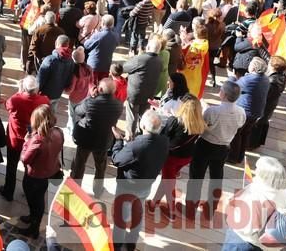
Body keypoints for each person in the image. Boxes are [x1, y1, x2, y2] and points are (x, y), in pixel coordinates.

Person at [185, 80, 246, 217]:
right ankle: (211, 208)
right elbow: (240, 125)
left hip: (205, 145)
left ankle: (190, 210)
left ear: (223, 94)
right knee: (217, 177)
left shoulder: (212, 111)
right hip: (223, 147)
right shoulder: (241, 112)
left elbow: (201, 127)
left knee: (196, 177)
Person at [110, 110, 169, 251]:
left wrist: (118, 141)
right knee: (138, 215)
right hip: (146, 185)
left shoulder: (136, 146)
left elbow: (116, 160)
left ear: (142, 126)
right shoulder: (164, 141)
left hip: (128, 187)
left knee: (121, 218)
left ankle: (116, 246)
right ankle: (131, 244)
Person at [149, 96, 205, 221]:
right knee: (167, 179)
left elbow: (163, 137)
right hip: (186, 157)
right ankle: (153, 203)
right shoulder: (199, 122)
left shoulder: (175, 121)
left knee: (169, 183)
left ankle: (171, 212)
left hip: (171, 157)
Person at [222, 157, 286, 250]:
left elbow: (245, 227)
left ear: (265, 174)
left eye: (258, 168)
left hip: (243, 243)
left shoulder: (256, 193)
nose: (255, 171)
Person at [0, 76, 50, 201]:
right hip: (33, 141)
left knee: (11, 166)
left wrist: (19, 91)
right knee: (30, 167)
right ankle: (28, 191)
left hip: (15, 140)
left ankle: (8, 191)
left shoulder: (16, 100)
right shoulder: (44, 100)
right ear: (37, 88)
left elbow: (7, 105)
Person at [70, 78, 123, 195]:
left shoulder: (91, 102)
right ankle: (98, 190)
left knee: (79, 164)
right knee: (100, 167)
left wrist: (90, 97)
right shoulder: (119, 105)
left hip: (86, 139)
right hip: (103, 141)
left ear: (99, 89)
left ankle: (75, 190)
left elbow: (77, 111)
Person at [18, 105, 64, 239]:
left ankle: (34, 229)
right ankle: (32, 218)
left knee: (35, 201)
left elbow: (25, 159)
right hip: (49, 172)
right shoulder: (58, 132)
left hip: (34, 176)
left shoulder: (37, 139)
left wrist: (26, 142)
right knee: (39, 199)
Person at [228, 57, 269, 164]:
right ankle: (240, 156)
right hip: (256, 112)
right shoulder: (265, 78)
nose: (248, 65)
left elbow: (233, 86)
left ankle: (233, 157)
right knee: (245, 134)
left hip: (245, 112)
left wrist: (232, 77)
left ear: (254, 68)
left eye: (250, 64)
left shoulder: (249, 80)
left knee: (236, 134)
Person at [124, 37, 163, 138]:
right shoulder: (160, 61)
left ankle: (129, 137)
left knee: (131, 117)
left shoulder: (141, 59)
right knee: (144, 116)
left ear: (148, 47)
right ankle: (142, 135)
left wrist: (132, 57)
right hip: (148, 94)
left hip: (135, 94)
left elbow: (125, 67)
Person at [251, 55, 286, 147]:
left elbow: (265, 96)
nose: (268, 64)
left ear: (273, 67)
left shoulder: (272, 81)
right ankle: (258, 142)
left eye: (270, 63)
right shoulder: (282, 75)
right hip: (272, 103)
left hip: (266, 105)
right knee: (264, 121)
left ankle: (252, 144)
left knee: (258, 124)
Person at [37, 35, 75, 109]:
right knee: (51, 115)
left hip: (44, 95)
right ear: (67, 45)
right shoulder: (71, 61)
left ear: (56, 44)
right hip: (57, 94)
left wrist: (36, 91)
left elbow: (40, 79)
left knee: (41, 116)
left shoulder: (49, 60)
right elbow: (69, 79)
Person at [83, 14, 119, 81]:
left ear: (102, 23)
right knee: (102, 86)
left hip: (94, 65)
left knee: (92, 86)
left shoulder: (97, 35)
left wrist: (93, 35)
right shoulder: (116, 36)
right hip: (106, 65)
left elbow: (86, 45)